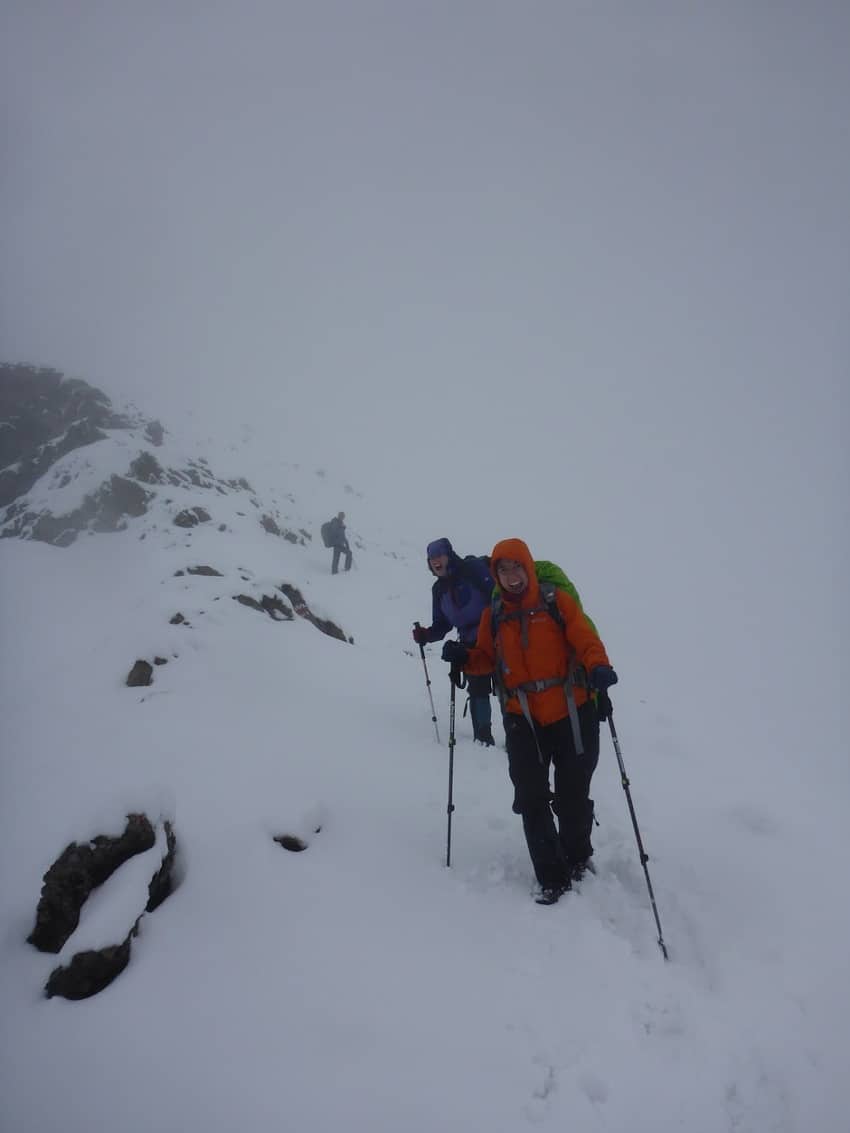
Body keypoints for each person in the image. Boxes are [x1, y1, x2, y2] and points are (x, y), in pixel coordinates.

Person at [441, 537, 618, 905]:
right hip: (523, 717)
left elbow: (584, 637)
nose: (511, 576)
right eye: (503, 570)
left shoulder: (556, 601)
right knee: (531, 797)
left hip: (573, 711)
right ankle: (551, 877)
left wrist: (599, 665)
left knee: (572, 795)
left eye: (516, 567)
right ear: (496, 574)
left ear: (528, 566)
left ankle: (578, 857)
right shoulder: (495, 614)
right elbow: (484, 659)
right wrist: (463, 657)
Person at [411, 538, 496, 746]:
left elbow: (498, 596)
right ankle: (483, 740)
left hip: (497, 636)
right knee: (478, 689)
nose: (436, 561)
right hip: (468, 643)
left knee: (508, 688)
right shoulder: (438, 590)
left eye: (439, 555)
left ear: (449, 555)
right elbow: (442, 625)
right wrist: (426, 635)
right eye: (431, 558)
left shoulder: (472, 569)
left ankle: (518, 738)